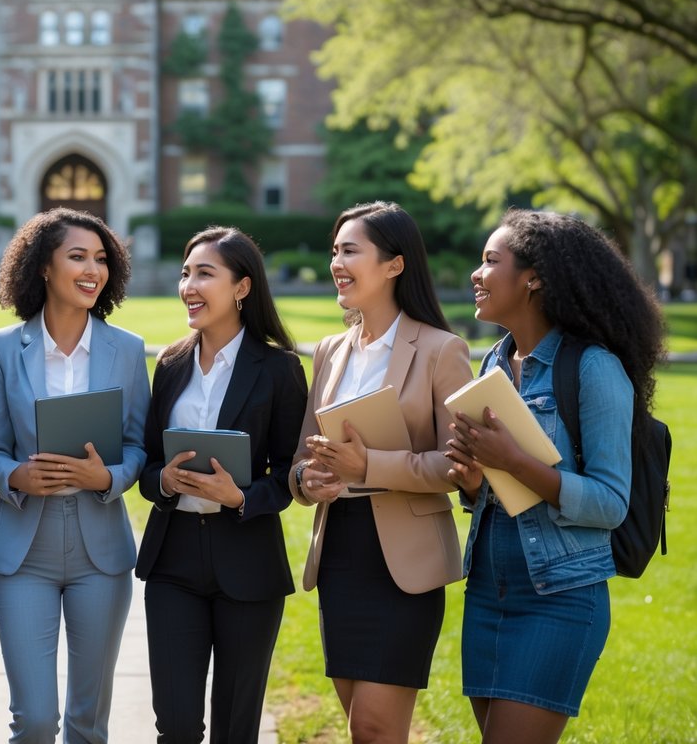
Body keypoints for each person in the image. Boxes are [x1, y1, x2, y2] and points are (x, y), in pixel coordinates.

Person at [446, 210, 663, 743]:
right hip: (488, 592)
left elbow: (611, 502)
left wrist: (515, 460)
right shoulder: (494, 363)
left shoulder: (593, 367)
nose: (477, 273)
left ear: (534, 277)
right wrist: (473, 478)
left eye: (492, 261)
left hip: (560, 597)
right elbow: (492, 497)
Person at [290, 201, 473, 743]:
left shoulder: (442, 350)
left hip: (406, 563)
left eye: (350, 250)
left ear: (394, 265)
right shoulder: (329, 351)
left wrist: (369, 465)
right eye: (334, 252)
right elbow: (303, 457)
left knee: (375, 727)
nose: (336, 263)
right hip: (341, 552)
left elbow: (458, 465)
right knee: (356, 725)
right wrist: (308, 481)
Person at [0, 208, 150, 744]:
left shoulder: (127, 348)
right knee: (33, 720)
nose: (92, 269)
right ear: (43, 268)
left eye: (101, 259)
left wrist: (108, 479)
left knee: (87, 722)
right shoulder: (3, 347)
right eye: (77, 256)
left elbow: (138, 445)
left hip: (101, 552)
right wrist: (14, 479)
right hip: (24, 551)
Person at [136, 226, 307, 743]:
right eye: (185, 273)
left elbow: (289, 477)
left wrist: (240, 497)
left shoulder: (279, 369)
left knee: (237, 726)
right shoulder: (169, 365)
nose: (189, 284)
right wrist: (163, 481)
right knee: (177, 723)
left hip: (248, 559)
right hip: (173, 561)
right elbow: (146, 464)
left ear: (242, 287)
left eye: (204, 273)